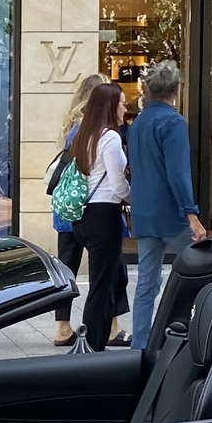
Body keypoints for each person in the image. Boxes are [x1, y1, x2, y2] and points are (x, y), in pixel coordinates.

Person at [126, 59, 208, 340]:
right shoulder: (173, 122)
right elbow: (178, 173)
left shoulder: (137, 124)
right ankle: (191, 333)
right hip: (172, 213)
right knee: (199, 273)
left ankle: (140, 343)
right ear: (176, 90)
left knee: (147, 282)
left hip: (145, 212)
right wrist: (192, 215)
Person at [66, 81, 131, 352]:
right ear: (110, 106)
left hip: (84, 214)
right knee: (102, 286)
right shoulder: (111, 138)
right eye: (123, 103)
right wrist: (134, 199)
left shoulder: (85, 135)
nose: (126, 109)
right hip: (105, 214)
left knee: (101, 283)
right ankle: (93, 345)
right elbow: (118, 185)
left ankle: (92, 341)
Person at [51, 71, 107, 346]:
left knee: (67, 270)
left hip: (66, 210)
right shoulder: (89, 129)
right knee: (109, 269)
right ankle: (112, 326)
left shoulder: (71, 125)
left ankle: (62, 327)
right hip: (84, 209)